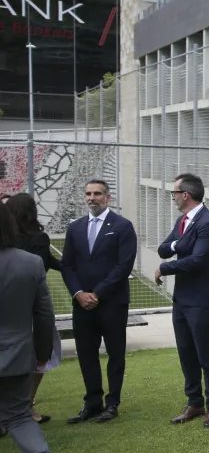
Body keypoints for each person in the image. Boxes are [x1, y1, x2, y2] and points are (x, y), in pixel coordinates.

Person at [59, 180, 137, 425]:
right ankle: (92, 403)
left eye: (97, 193)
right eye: (88, 193)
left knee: (115, 354)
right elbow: (67, 265)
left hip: (112, 303)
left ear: (107, 197)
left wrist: (98, 293)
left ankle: (112, 403)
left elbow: (124, 265)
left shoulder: (122, 226)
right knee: (86, 353)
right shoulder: (75, 228)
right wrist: (78, 294)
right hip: (82, 304)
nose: (92, 197)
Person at [0, 199, 61, 453]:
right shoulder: (30, 263)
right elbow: (43, 314)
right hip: (16, 354)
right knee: (19, 415)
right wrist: (42, 353)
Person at [156, 173, 209, 428]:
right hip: (182, 299)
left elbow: (197, 260)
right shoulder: (183, 220)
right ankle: (194, 402)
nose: (173, 197)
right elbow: (164, 248)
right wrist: (180, 244)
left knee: (205, 354)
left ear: (185, 194)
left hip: (203, 300)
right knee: (186, 352)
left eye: (174, 193)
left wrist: (164, 268)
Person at [6, 193, 63, 425]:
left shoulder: (7, 239)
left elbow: (49, 261)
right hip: (30, 307)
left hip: (7, 307)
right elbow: (40, 267)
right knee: (41, 355)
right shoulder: (38, 238)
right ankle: (26, 406)